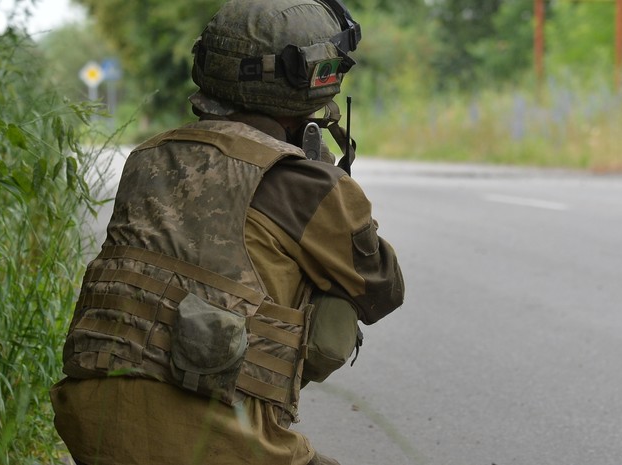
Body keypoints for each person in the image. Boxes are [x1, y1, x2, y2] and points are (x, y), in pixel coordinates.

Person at [50, 0, 405, 463]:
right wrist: (336, 187)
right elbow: (383, 289)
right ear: (315, 76)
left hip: (90, 427)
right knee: (336, 295)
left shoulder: (148, 157)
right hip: (213, 444)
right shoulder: (306, 185)